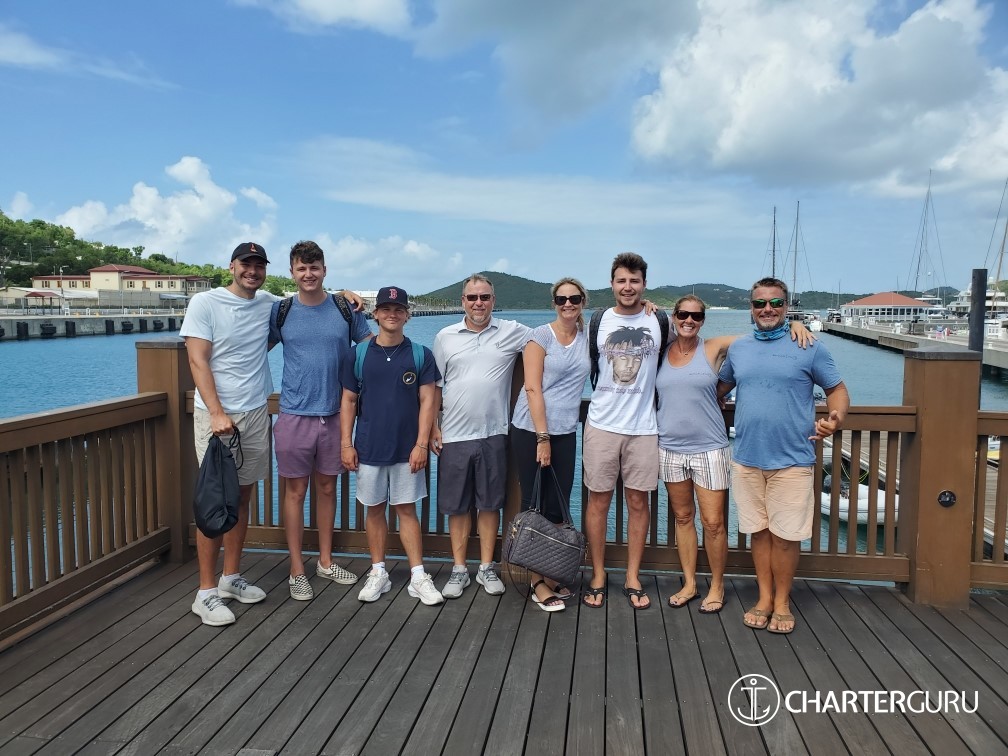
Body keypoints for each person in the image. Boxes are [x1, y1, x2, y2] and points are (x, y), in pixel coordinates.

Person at [658, 295, 812, 614]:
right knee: (683, 518)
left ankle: (716, 586)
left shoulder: (714, 347)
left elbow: (760, 336)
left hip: (710, 448)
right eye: (683, 314)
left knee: (713, 523)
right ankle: (689, 583)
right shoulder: (661, 351)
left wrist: (793, 325)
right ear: (673, 317)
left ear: (703, 320)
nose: (689, 320)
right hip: (669, 447)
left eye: (696, 316)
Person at [717, 277, 849, 635]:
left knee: (786, 537)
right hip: (746, 457)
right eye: (760, 303)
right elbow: (719, 388)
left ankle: (782, 602)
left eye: (775, 303)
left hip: (793, 460)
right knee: (759, 534)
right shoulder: (739, 349)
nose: (768, 309)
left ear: (786, 306)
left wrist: (835, 419)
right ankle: (763, 598)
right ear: (751, 309)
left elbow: (837, 390)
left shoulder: (809, 346)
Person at [268, 241, 371, 601]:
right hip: (294, 414)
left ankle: (325, 562)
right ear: (292, 272)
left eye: (314, 267)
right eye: (302, 268)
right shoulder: (281, 311)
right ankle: (297, 569)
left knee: (327, 489)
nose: (308, 274)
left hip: (336, 415)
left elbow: (371, 348)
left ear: (325, 270)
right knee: (295, 492)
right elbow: (252, 348)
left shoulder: (344, 308)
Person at [181, 242, 276, 626]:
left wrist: (346, 295)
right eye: (245, 264)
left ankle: (230, 578)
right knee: (214, 500)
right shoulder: (205, 303)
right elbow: (196, 359)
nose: (252, 271)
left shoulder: (268, 303)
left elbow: (308, 299)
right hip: (216, 416)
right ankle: (205, 593)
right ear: (232, 266)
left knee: (242, 497)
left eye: (258, 265)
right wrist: (217, 411)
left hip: (254, 412)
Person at [340, 286, 444, 606]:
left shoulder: (421, 355)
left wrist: (422, 444)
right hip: (368, 446)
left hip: (407, 448)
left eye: (398, 310)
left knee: (406, 509)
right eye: (385, 309)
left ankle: (417, 575)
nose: (392, 314)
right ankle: (378, 571)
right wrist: (346, 443)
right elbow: (349, 400)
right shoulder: (358, 355)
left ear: (407, 315)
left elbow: (428, 401)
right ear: (375, 314)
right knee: (374, 509)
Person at [430, 274, 531, 598]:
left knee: (489, 505)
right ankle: (459, 570)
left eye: (484, 297)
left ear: (493, 301)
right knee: (458, 507)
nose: (478, 303)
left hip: (493, 433)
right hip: (453, 435)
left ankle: (486, 568)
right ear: (463, 301)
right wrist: (432, 426)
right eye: (472, 297)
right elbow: (434, 387)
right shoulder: (445, 337)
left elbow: (552, 335)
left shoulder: (511, 331)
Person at [583, 252, 662, 610]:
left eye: (634, 280)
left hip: (644, 427)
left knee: (638, 503)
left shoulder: (659, 319)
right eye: (621, 280)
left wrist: (792, 327)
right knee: (598, 501)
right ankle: (598, 574)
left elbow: (691, 346)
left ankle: (632, 576)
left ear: (644, 284)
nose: (628, 287)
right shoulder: (598, 320)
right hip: (601, 424)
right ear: (612, 283)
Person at [509, 278, 591, 611]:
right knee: (535, 505)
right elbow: (532, 387)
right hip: (531, 429)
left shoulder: (587, 337)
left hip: (566, 430)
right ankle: (537, 582)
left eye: (574, 298)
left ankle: (551, 573)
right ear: (554, 303)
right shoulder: (540, 336)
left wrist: (647, 308)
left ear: (583, 301)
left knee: (558, 505)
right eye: (561, 299)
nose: (568, 304)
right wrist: (542, 437)